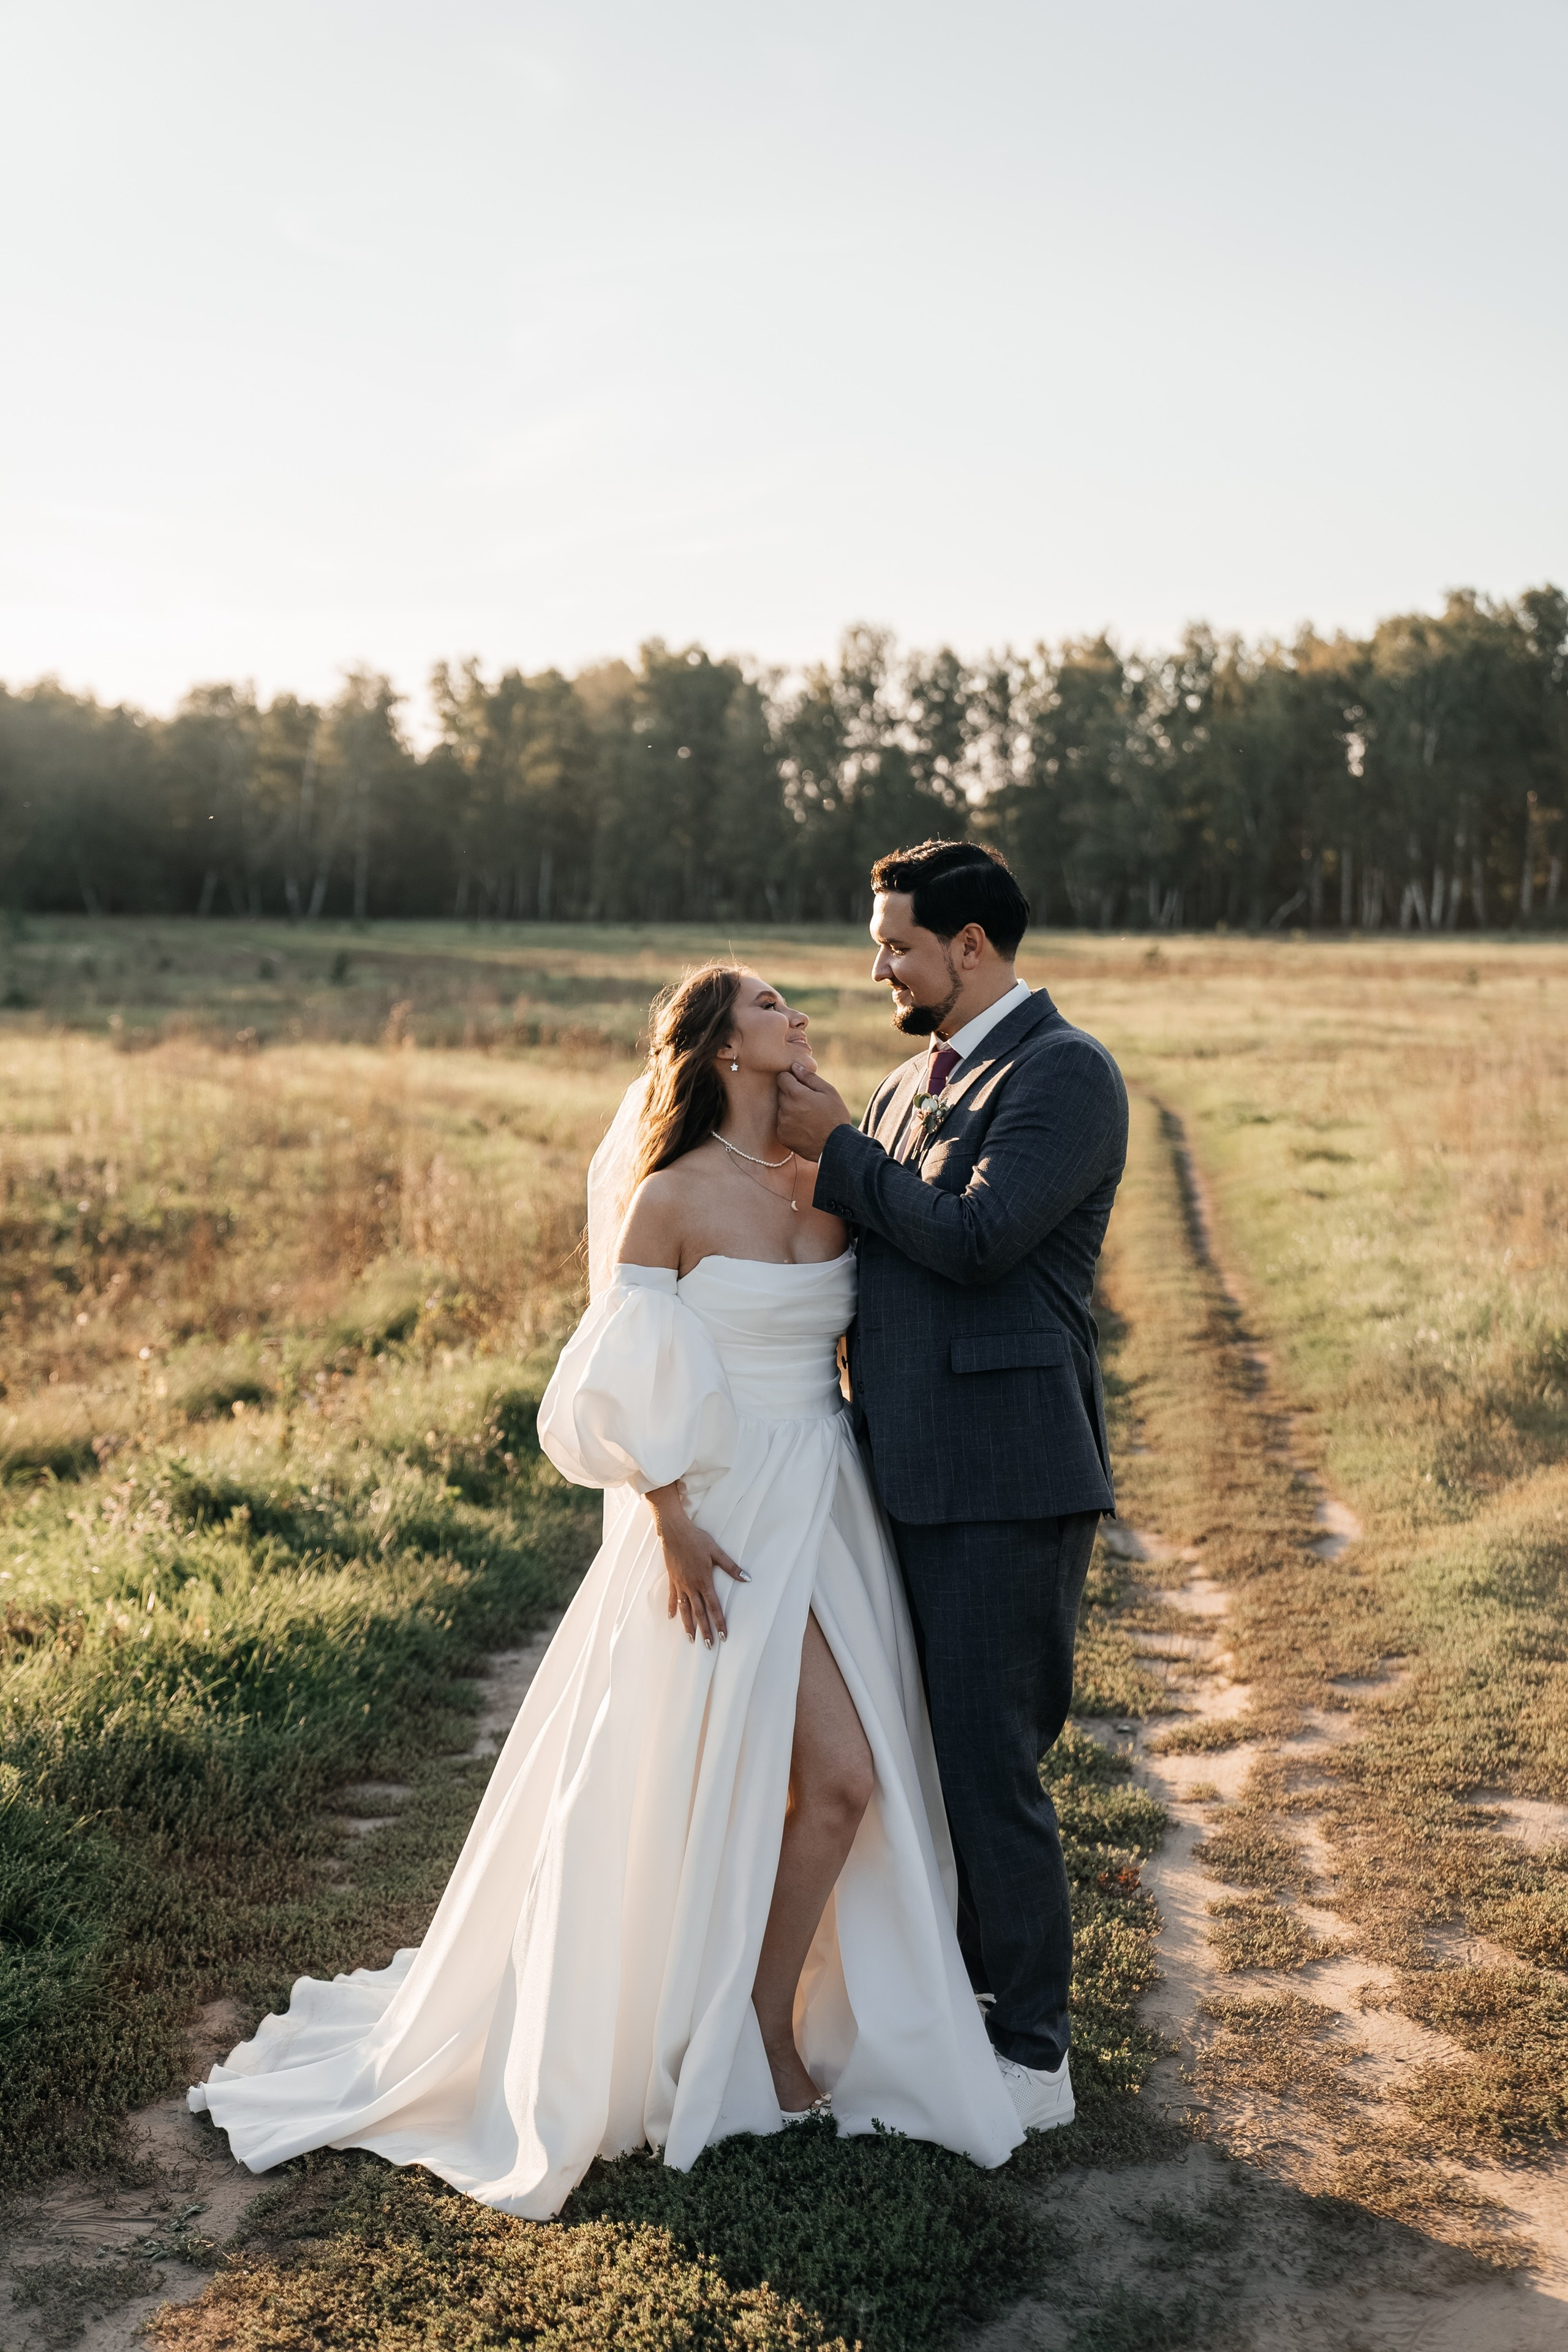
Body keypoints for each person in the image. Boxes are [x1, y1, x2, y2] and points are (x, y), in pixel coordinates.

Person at [189, 962, 1022, 2218]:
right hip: (723, 1514)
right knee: (779, 1777)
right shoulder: (666, 1202)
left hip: (829, 1505)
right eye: (769, 1008)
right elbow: (614, 1383)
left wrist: (843, 1138)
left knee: (844, 1780)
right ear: (718, 1049)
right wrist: (667, 1516)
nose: (798, 1015)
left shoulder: (823, 1171)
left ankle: (763, 1991)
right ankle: (738, 2009)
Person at [775, 839, 1128, 2133]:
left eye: (896, 946)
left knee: (990, 1765)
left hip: (1003, 1473)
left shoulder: (1063, 1074)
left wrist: (840, 1152)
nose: (879, 968)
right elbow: (858, 1225)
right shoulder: (906, 1079)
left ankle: (1030, 2053)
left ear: (965, 947)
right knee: (916, 1761)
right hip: (897, 1466)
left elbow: (976, 1240)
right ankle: (948, 2002)